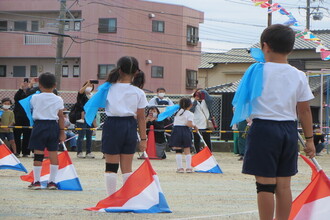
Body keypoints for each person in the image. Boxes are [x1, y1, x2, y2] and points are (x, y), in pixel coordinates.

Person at [240, 24, 315, 220]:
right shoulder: (299, 75)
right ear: (290, 48)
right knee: (284, 185)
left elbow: (244, 101)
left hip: (263, 129)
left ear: (265, 46)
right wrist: (309, 140)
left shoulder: (256, 71)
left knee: (265, 185)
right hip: (289, 130)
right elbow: (305, 110)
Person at [102, 56, 148, 196]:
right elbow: (141, 118)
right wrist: (144, 139)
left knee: (111, 166)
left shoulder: (107, 89)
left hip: (111, 125)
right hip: (129, 126)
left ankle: (111, 197)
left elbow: (93, 103)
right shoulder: (139, 92)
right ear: (136, 72)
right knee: (127, 167)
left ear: (119, 69)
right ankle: (127, 198)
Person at [28, 72, 65, 190]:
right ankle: (52, 182)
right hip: (53, 126)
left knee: (38, 154)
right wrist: (62, 132)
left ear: (40, 85)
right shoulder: (59, 99)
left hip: (39, 125)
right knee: (53, 153)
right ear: (55, 85)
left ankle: (37, 181)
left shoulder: (35, 97)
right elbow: (61, 116)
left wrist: (32, 85)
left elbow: (31, 105)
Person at [169, 97, 198, 173]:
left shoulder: (176, 112)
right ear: (191, 105)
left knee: (178, 150)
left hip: (176, 130)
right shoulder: (190, 114)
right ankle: (188, 168)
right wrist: (194, 126)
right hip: (185, 130)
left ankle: (180, 168)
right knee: (187, 149)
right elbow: (189, 124)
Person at [76, 80, 96, 158]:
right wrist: (87, 83)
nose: (89, 87)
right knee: (81, 136)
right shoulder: (82, 95)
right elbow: (80, 91)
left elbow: (94, 108)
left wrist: (94, 121)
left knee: (89, 136)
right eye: (88, 86)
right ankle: (79, 152)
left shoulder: (92, 96)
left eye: (91, 86)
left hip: (90, 117)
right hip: (81, 117)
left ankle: (88, 152)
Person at [13, 79, 32, 157]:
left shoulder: (30, 97)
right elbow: (16, 97)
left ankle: (26, 152)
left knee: (27, 135)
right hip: (18, 118)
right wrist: (21, 88)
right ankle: (16, 151)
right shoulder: (18, 97)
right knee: (16, 135)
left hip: (27, 118)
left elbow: (29, 96)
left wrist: (29, 88)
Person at [190, 89, 213, 153]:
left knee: (207, 138)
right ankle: (197, 151)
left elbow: (210, 99)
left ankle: (209, 151)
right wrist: (195, 101)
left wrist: (203, 91)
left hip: (205, 122)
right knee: (196, 139)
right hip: (196, 122)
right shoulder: (192, 101)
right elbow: (191, 110)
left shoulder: (206, 101)